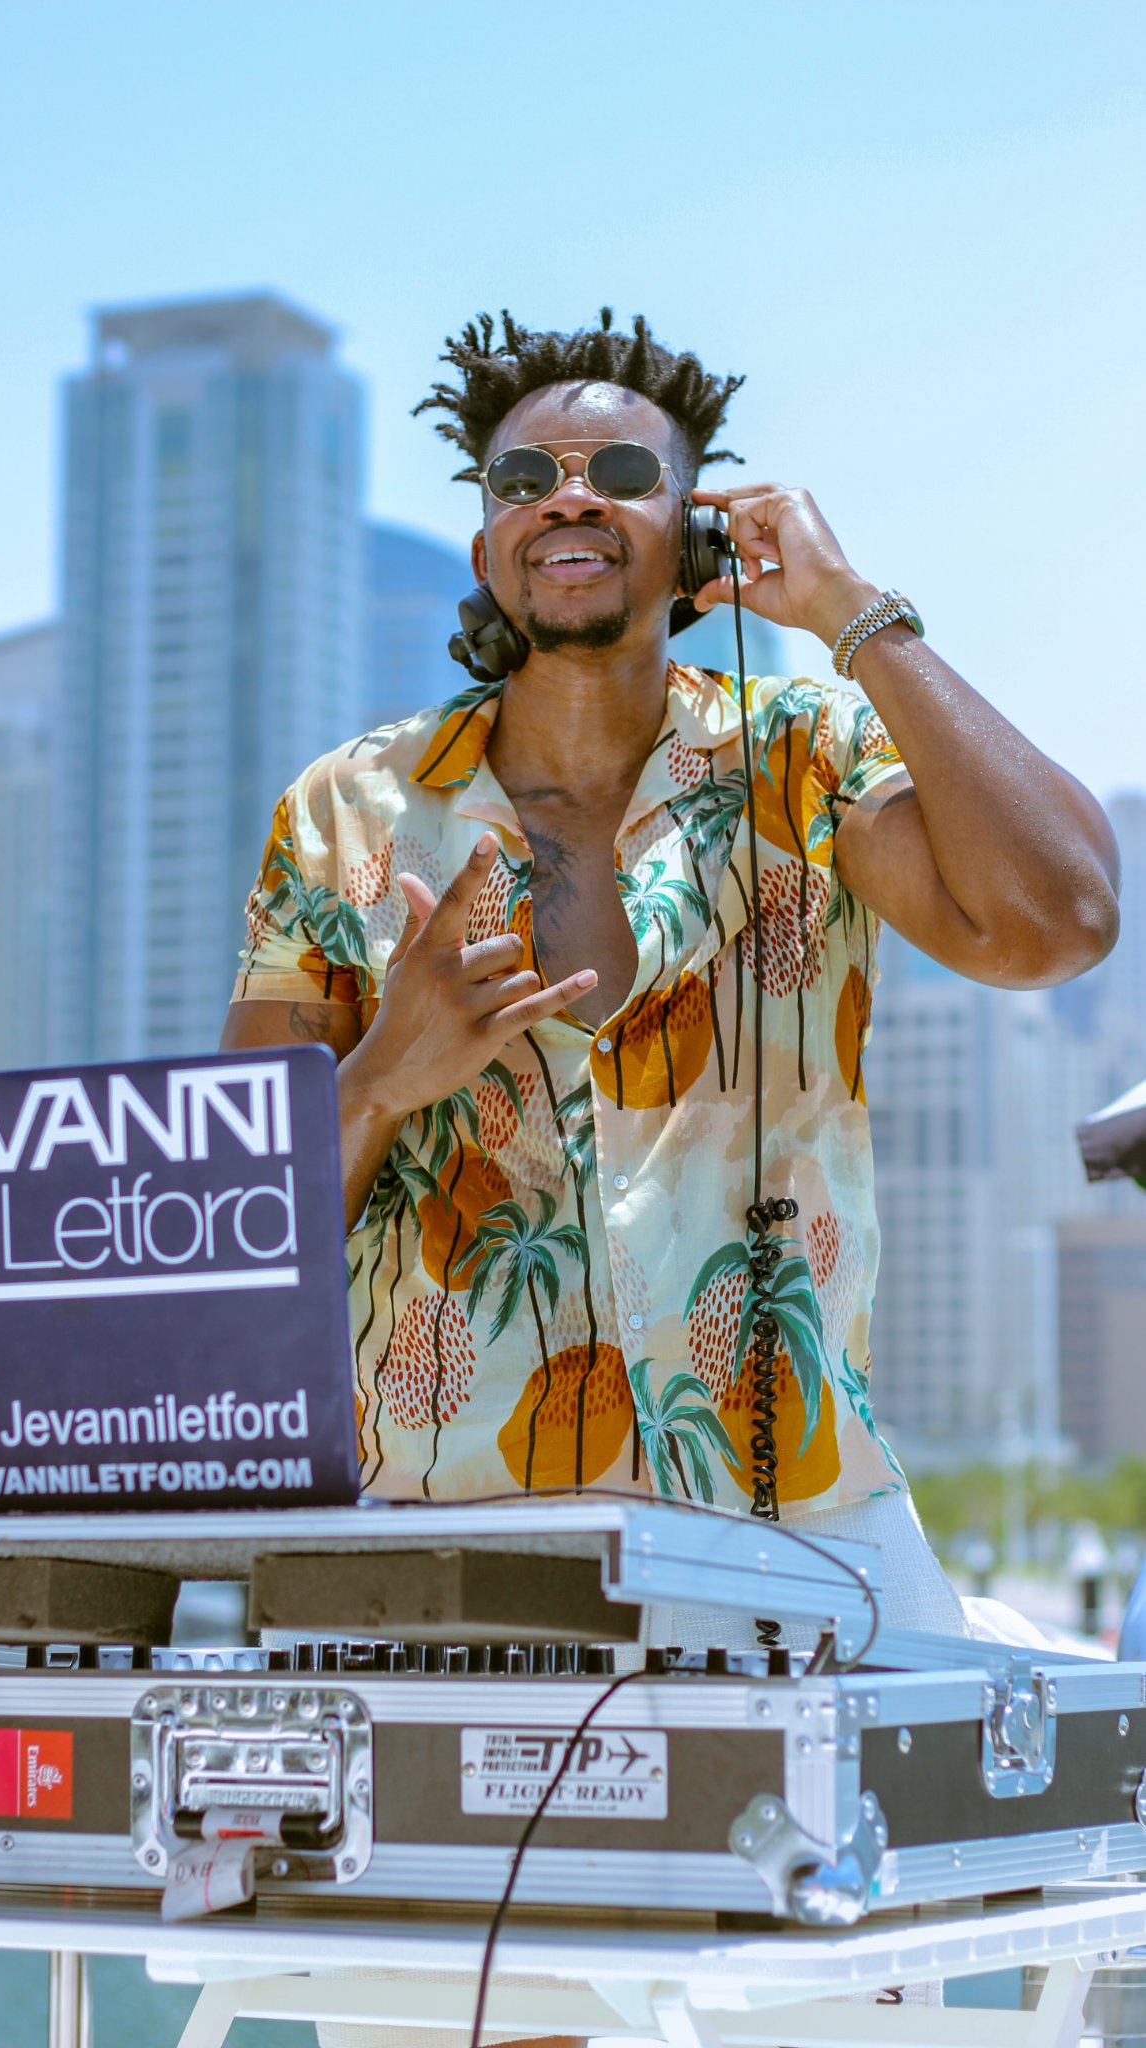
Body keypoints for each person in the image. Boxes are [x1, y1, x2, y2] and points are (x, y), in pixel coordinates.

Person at [222, 309, 1119, 2033]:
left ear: (698, 529)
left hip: (802, 1536)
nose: (568, 497)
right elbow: (236, 1241)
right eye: (525, 477)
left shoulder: (803, 757)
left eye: (619, 469)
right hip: (447, 1559)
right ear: (486, 540)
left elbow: (1057, 920)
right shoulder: (344, 811)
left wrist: (854, 615)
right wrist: (393, 1064)